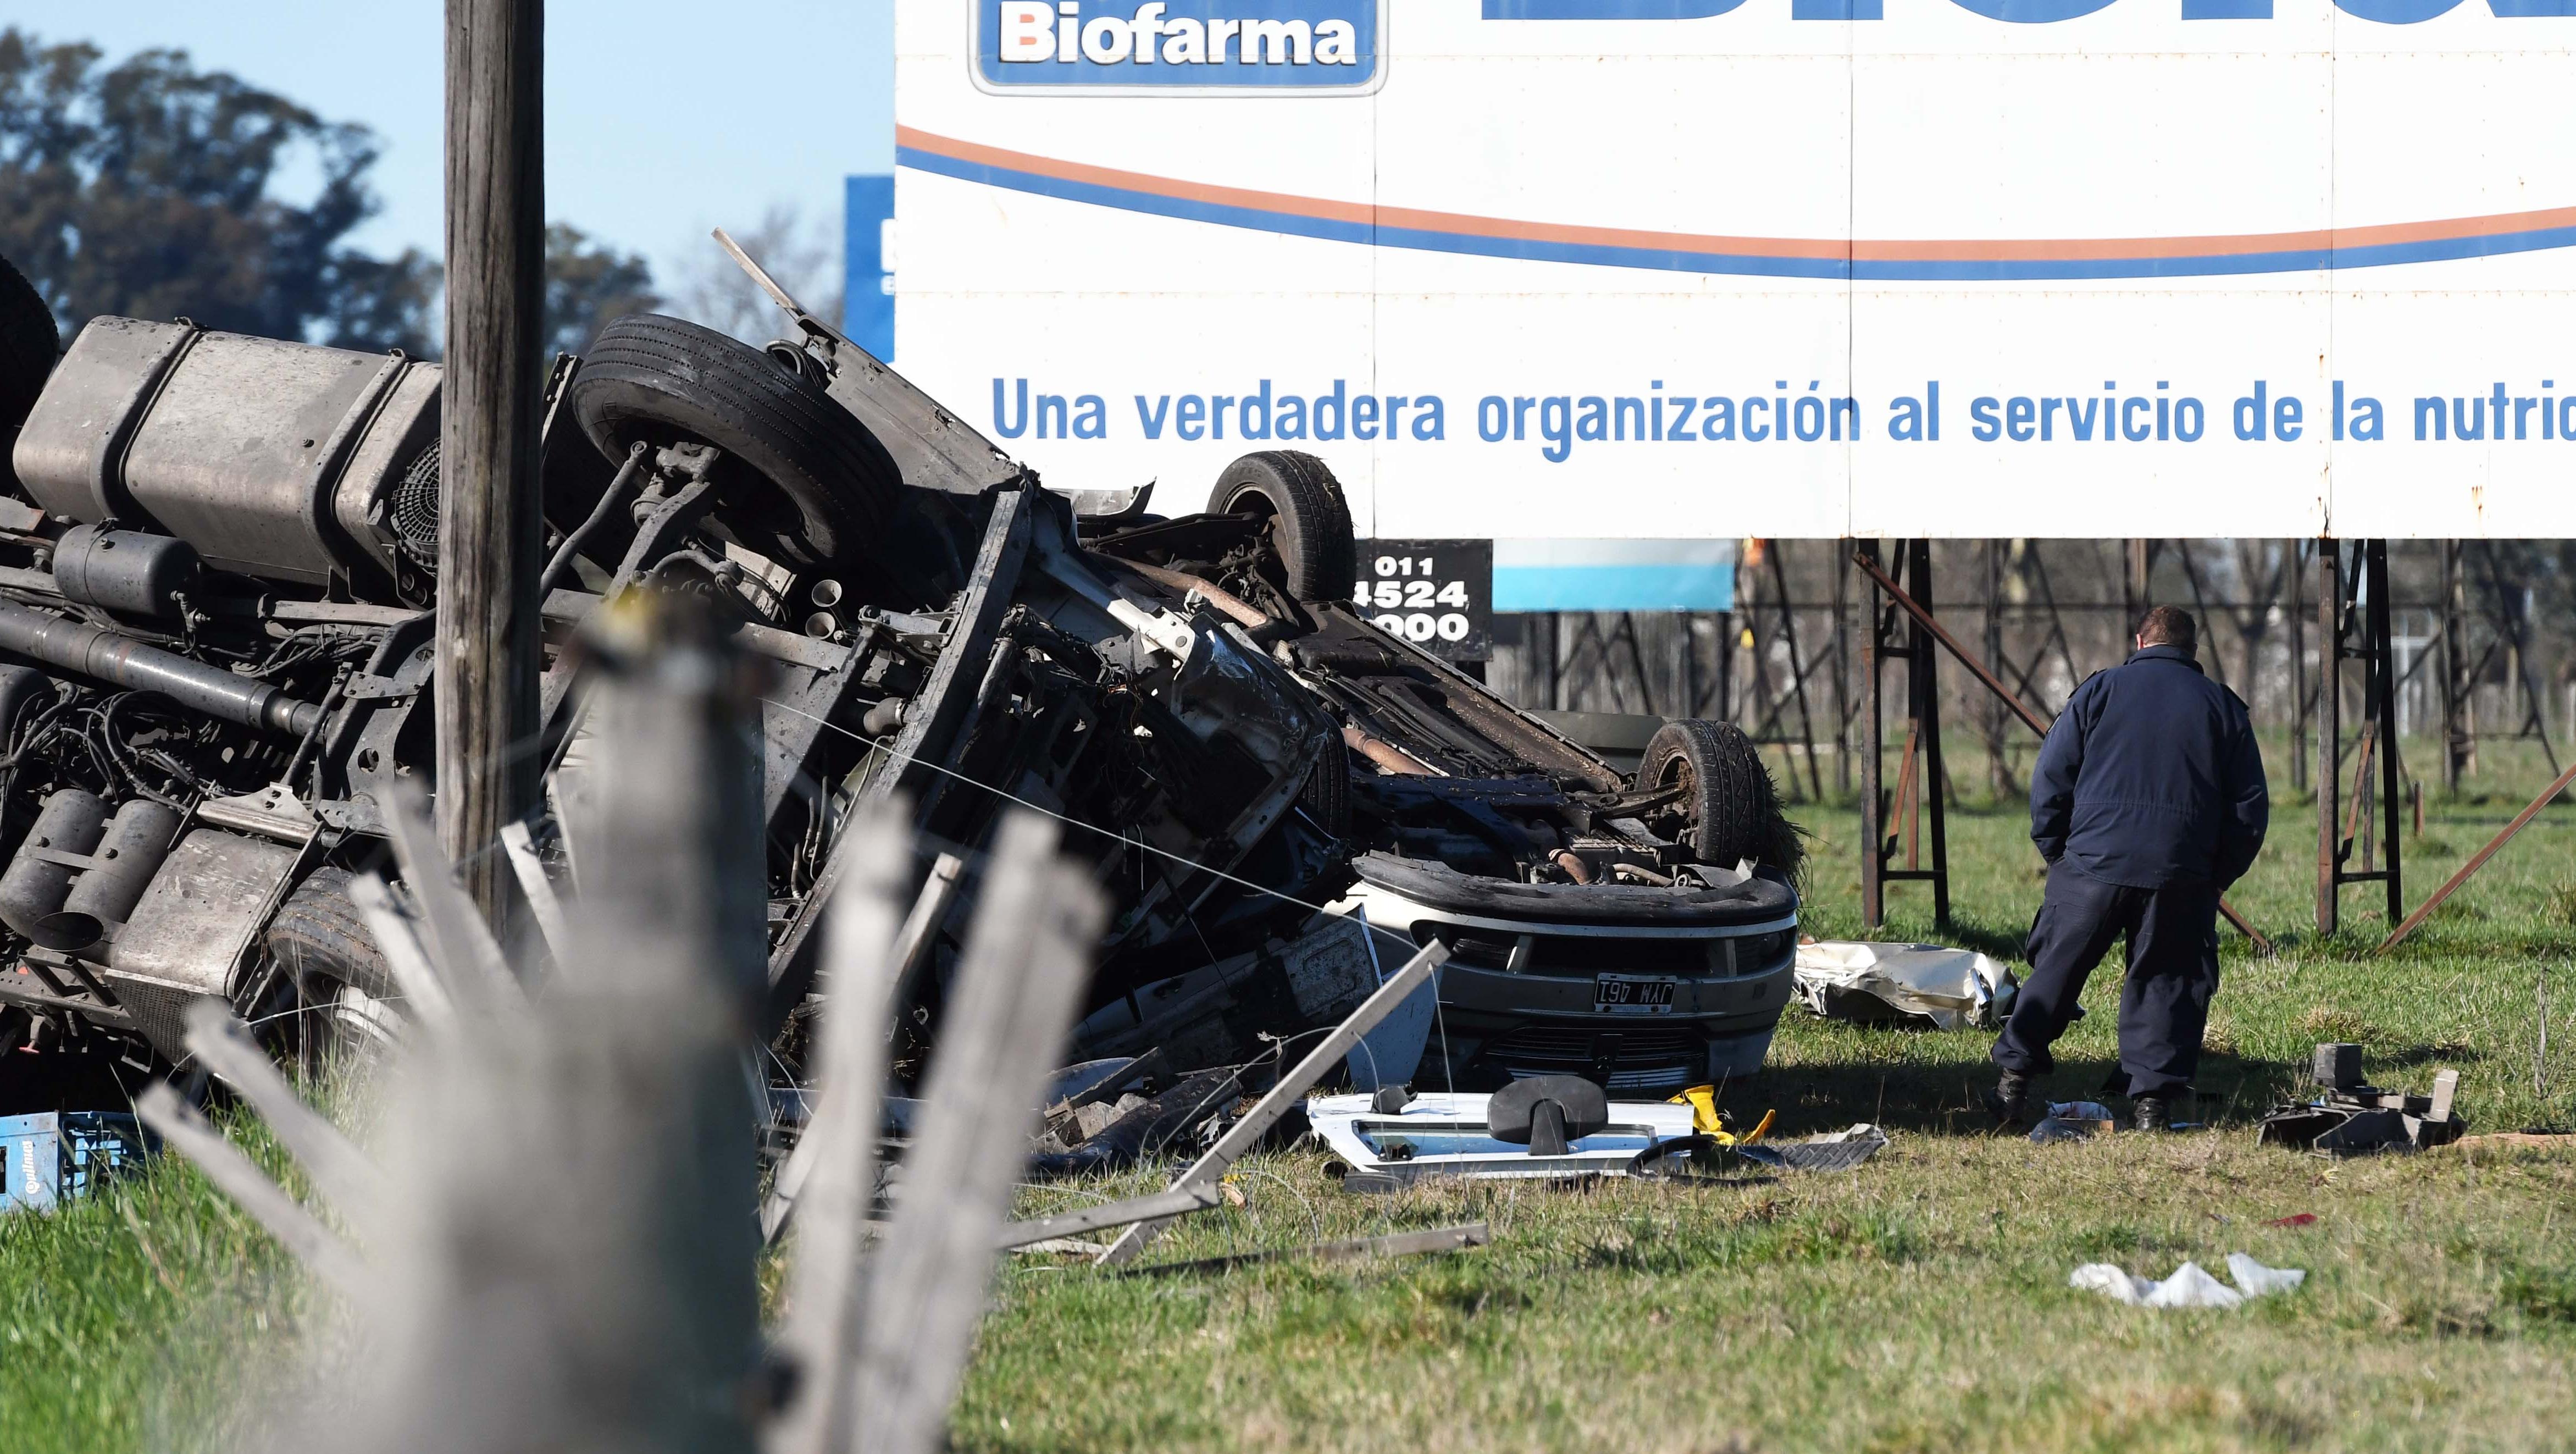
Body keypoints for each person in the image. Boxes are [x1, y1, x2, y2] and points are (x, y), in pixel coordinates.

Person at [1986, 606, 2268, 1132]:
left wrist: (2060, 856)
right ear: (2192, 651)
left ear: (2139, 641)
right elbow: (2249, 809)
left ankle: (2011, 1089)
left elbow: (2051, 777)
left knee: (2055, 973)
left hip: (2092, 864)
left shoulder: (2098, 692)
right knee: (2167, 980)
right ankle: (2151, 1108)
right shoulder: (2222, 709)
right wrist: (2212, 875)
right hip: (2180, 872)